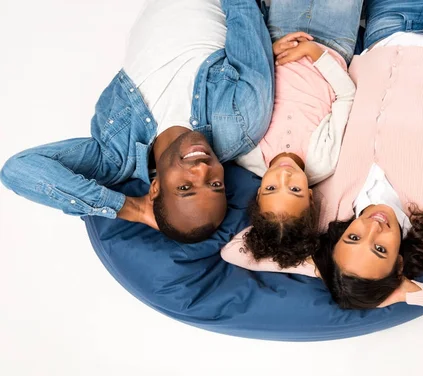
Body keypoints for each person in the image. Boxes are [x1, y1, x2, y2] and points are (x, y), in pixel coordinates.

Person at [222, 0, 423, 324]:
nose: (373, 228)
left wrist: (327, 268)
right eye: (381, 249)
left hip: (391, 16)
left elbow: (240, 250)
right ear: (399, 265)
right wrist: (404, 293)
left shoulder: (329, 207)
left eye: (354, 239)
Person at [0, 0, 274, 244]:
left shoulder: (115, 155)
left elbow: (18, 170)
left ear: (155, 189)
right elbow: (242, 9)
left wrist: (129, 208)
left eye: (185, 187)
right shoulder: (242, 121)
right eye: (216, 185)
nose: (203, 171)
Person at [227, 0, 363, 268]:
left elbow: (249, 81)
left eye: (271, 187)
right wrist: (315, 54)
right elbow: (346, 97)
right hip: (332, 42)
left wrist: (267, 52)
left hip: (282, 34)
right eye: (295, 189)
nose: (284, 176)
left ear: (258, 193)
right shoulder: (323, 161)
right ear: (311, 196)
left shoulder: (245, 150)